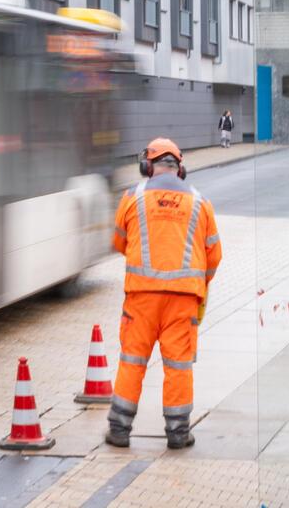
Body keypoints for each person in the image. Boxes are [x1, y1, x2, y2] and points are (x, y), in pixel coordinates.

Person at [106, 138, 222, 451]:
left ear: (147, 165)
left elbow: (118, 242)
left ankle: (119, 429)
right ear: (179, 168)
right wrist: (198, 285)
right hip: (182, 301)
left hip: (141, 299)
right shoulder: (200, 202)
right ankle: (178, 433)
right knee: (178, 366)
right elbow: (214, 256)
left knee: (132, 361)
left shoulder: (133, 197)